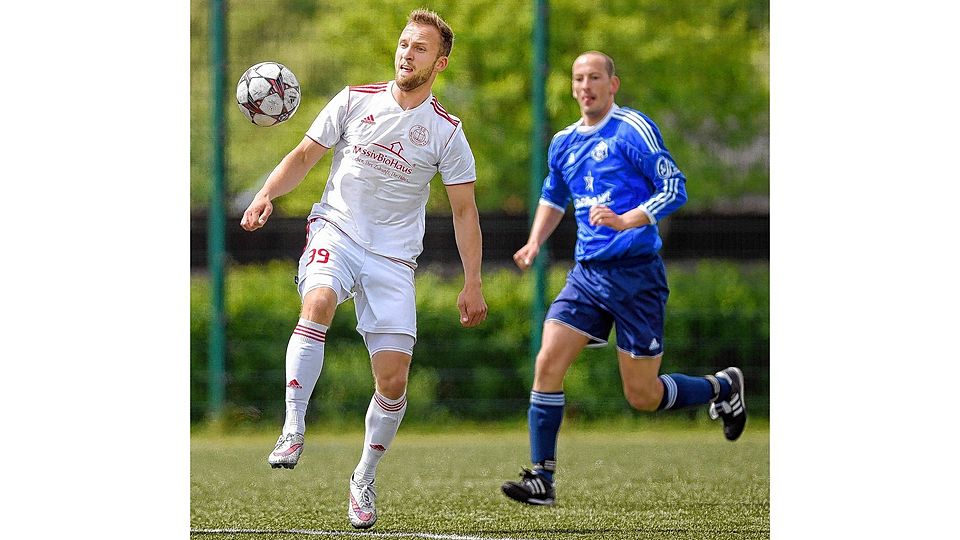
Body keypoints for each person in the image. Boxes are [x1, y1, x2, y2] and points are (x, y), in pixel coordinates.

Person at [240, 9, 487, 529]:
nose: (406, 53)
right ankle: (292, 428)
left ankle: (364, 476)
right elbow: (305, 155)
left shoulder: (447, 133)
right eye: (403, 44)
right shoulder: (355, 99)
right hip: (339, 231)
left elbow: (465, 212)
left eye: (420, 48)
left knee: (393, 380)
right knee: (318, 302)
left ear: (439, 63)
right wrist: (266, 193)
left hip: (394, 258)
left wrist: (472, 282)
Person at [500, 51, 746, 507]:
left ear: (613, 84)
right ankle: (542, 478)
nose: (586, 84)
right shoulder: (563, 143)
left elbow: (675, 186)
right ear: (572, 87)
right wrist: (535, 242)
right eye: (579, 78)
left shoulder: (633, 129)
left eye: (595, 76)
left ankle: (723, 387)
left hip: (636, 278)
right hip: (588, 276)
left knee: (643, 396)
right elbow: (553, 195)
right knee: (547, 361)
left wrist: (628, 219)